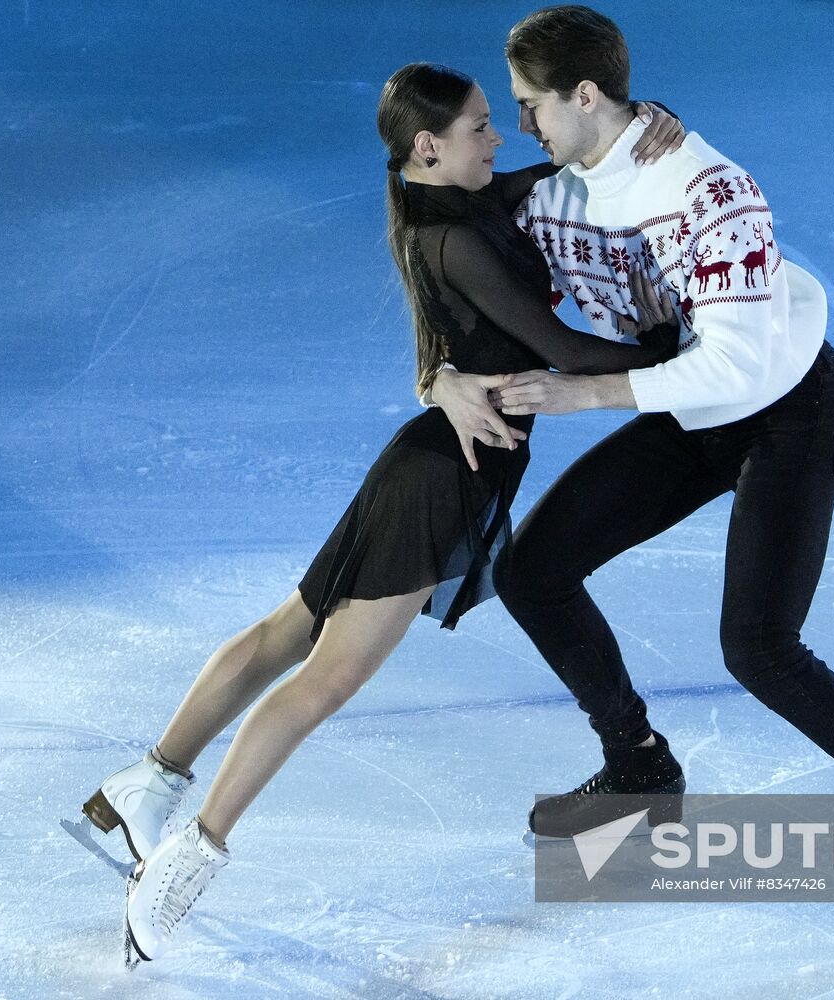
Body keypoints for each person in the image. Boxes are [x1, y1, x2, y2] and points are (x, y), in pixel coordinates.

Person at [78, 62, 686, 965]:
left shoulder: (457, 199)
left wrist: (645, 120)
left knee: (288, 630)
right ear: (428, 146)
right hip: (438, 481)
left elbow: (552, 173)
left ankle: (145, 781)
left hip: (429, 459)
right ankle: (186, 861)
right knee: (326, 676)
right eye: (482, 126)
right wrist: (684, 355)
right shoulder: (454, 239)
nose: (501, 136)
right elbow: (558, 348)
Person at [429, 5, 834, 937]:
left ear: (585, 95)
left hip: (785, 409)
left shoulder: (708, 190)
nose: (521, 126)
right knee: (535, 572)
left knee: (759, 647)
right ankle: (638, 769)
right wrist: (440, 375)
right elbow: (438, 248)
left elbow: (737, 366)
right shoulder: (551, 193)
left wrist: (586, 396)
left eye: (532, 105)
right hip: (682, 408)